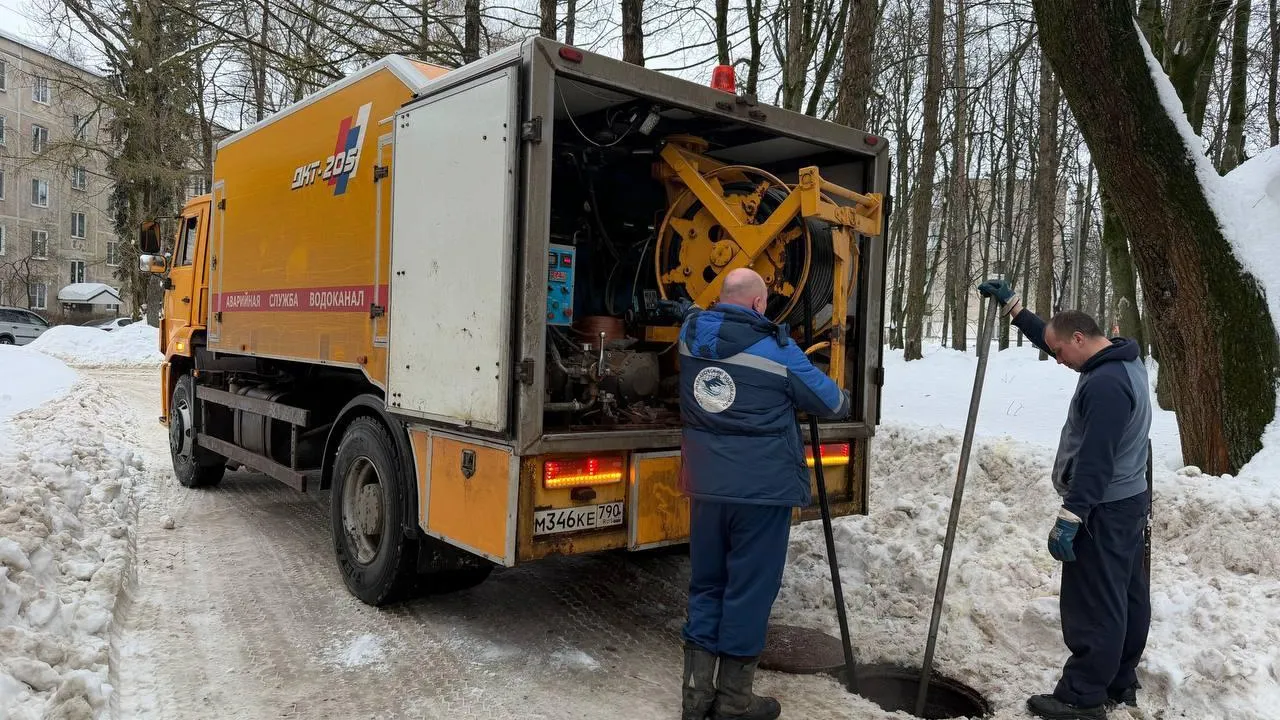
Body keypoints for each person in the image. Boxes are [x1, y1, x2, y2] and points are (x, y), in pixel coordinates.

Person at [676, 267, 852, 720]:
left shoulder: (690, 336)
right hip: (761, 492)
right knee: (748, 592)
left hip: (707, 486)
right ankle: (734, 703)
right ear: (758, 304)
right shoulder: (778, 350)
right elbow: (831, 403)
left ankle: (695, 700)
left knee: (707, 584)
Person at [977, 278, 1152, 720]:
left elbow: (1097, 460)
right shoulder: (1121, 357)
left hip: (1103, 507)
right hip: (1127, 501)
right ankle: (1119, 681)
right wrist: (1017, 310)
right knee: (1125, 595)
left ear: (1080, 340)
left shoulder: (1106, 385)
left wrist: (1072, 515)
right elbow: (1059, 336)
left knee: (1094, 603)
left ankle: (1082, 695)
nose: (1058, 362)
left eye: (1059, 354)